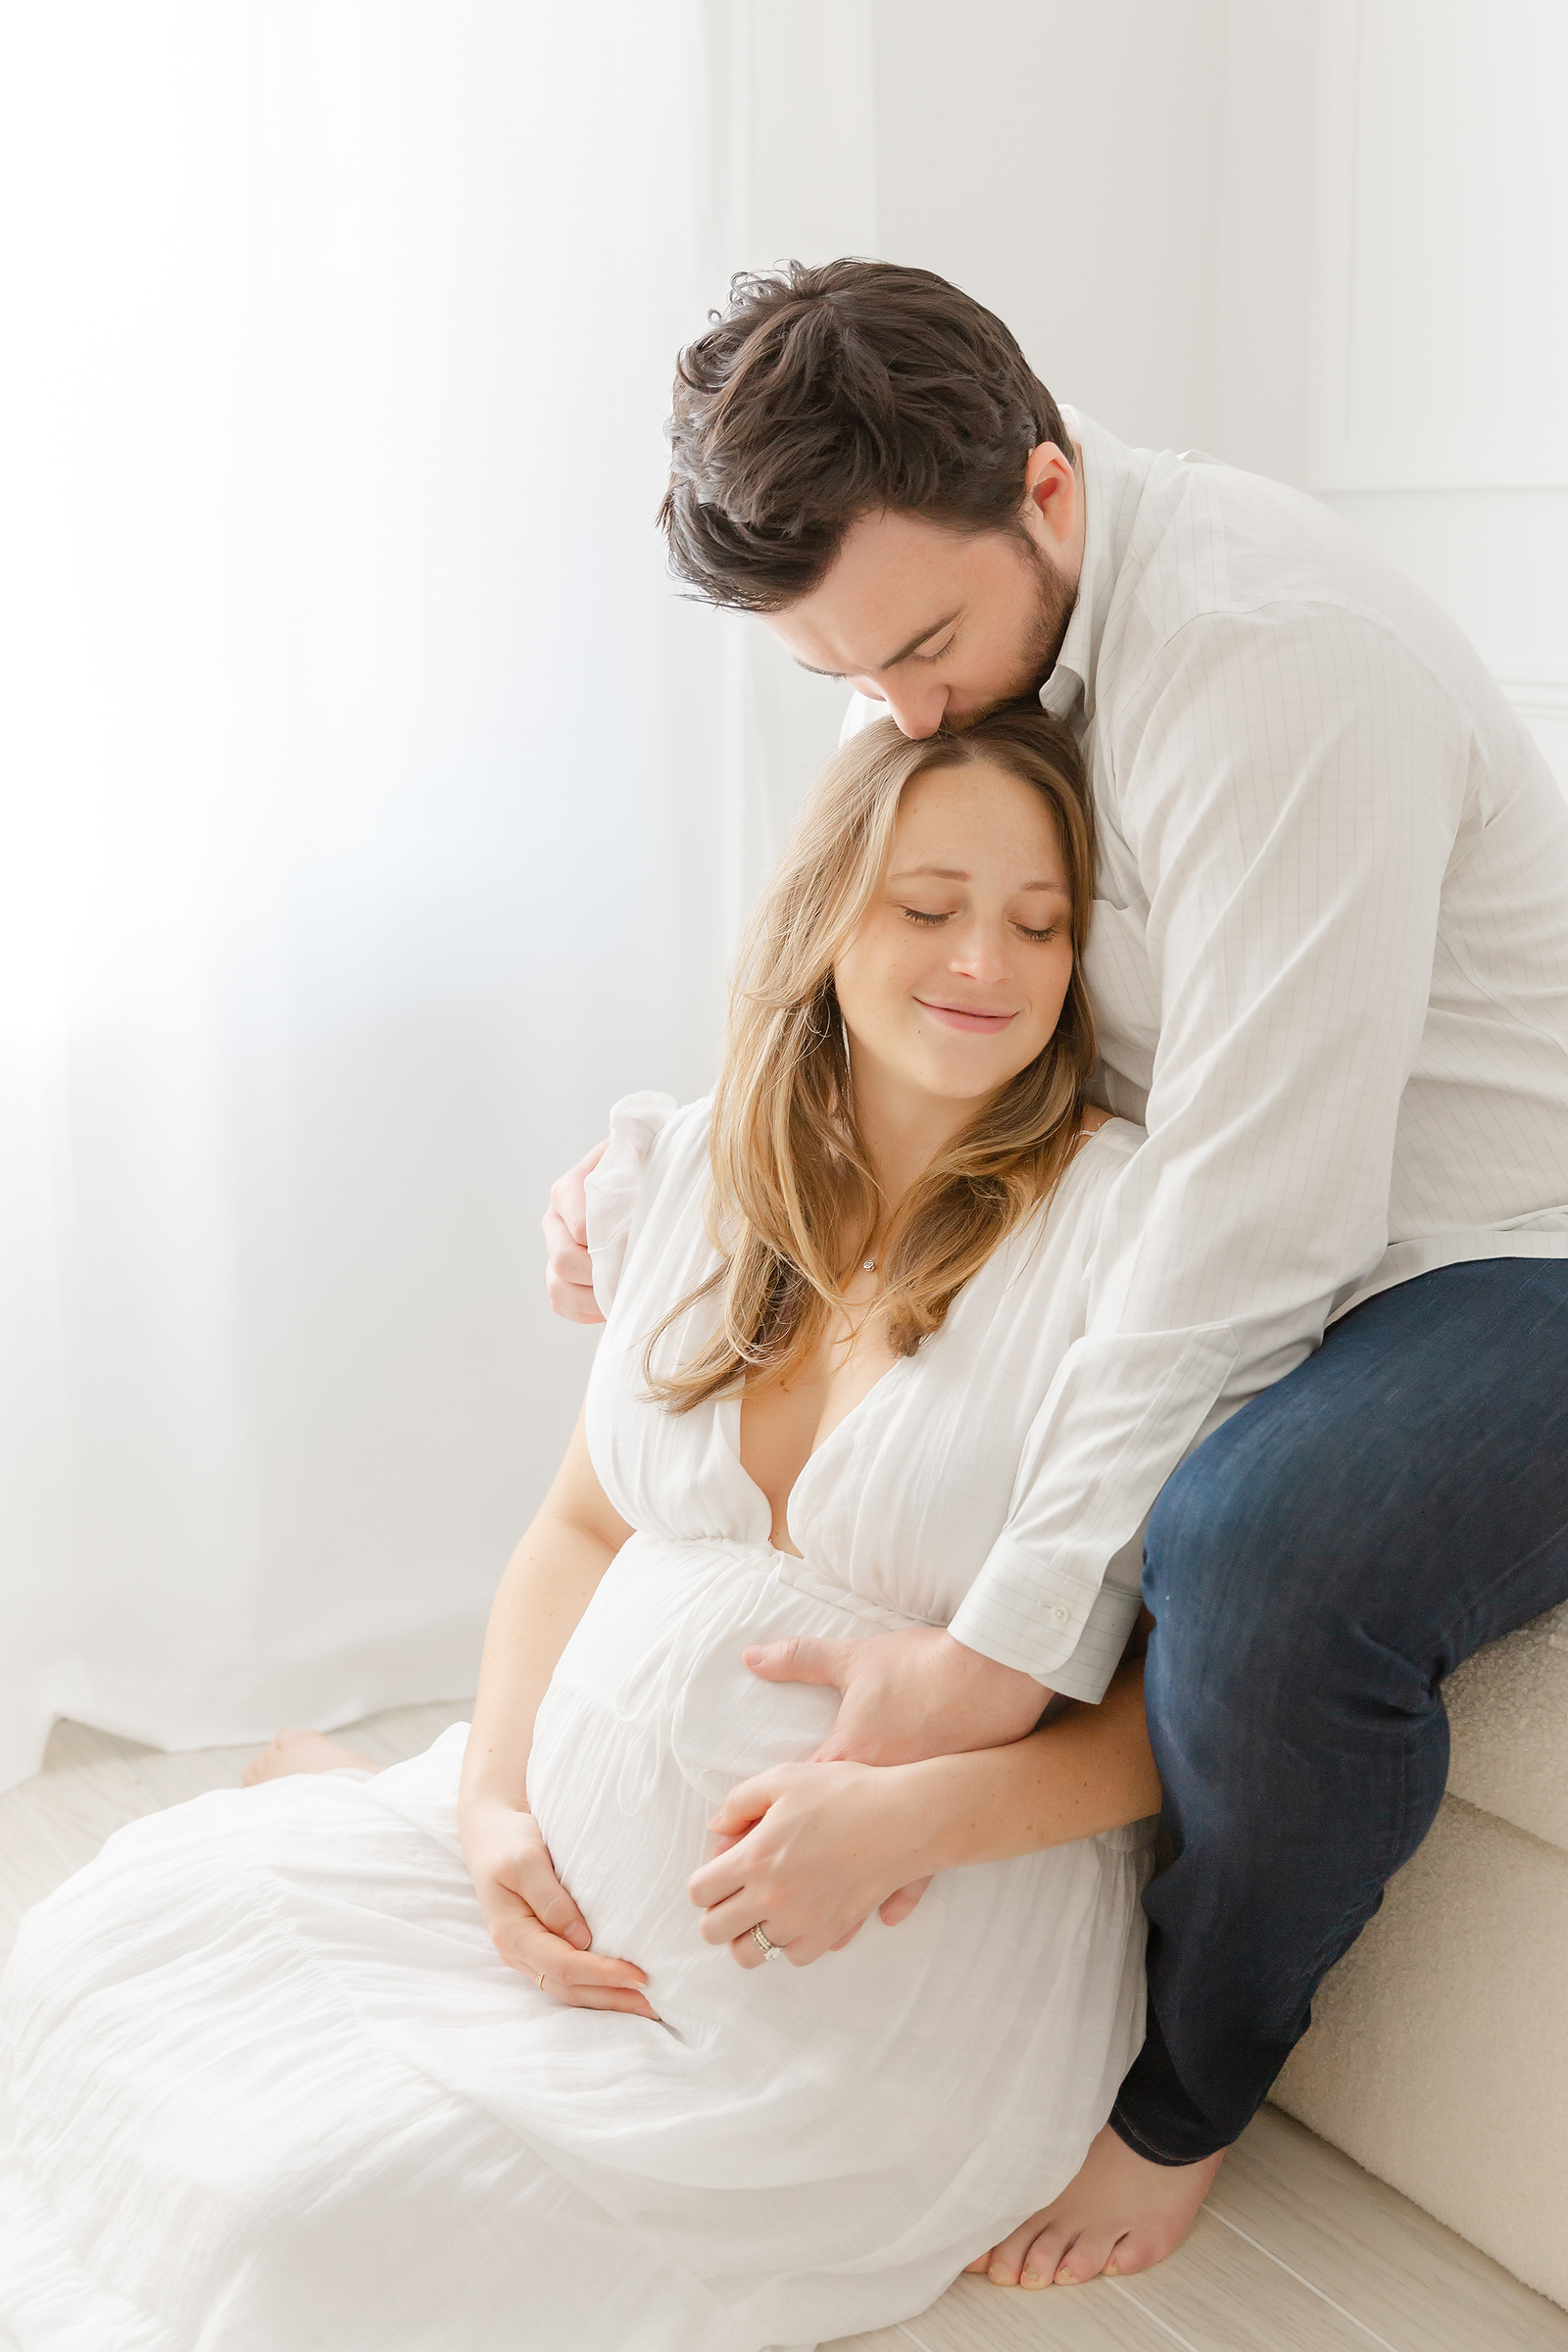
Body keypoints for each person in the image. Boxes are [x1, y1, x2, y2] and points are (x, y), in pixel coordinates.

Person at [543, 259, 1568, 2287]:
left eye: (921, 646)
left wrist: (997, 1660)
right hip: (1263, 1208)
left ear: (1045, 484)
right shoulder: (967, 647)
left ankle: (1185, 2083)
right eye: (851, 677)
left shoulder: (1272, 663)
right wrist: (665, 1161)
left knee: (1260, 1552)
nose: (908, 710)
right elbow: (905, 951)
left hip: (1490, 1252)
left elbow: (1263, 1217)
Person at [2, 709, 1174, 2349]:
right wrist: (492, 1812)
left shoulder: (1135, 1240)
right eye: (928, 906)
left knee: (300, 2244)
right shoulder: (705, 1165)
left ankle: (352, 1817)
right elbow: (577, 1523)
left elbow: (1190, 1706)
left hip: (850, 2003)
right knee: (90, 1959)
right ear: (827, 911)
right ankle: (393, 1810)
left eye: (1042, 924)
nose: (988, 958)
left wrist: (918, 1826)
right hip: (565, 1865)